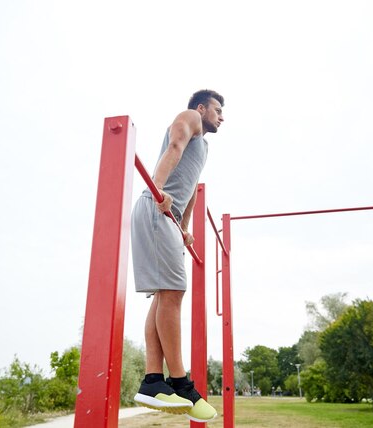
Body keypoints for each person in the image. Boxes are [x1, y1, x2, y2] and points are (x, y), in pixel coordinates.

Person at [131, 89, 224, 422]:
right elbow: (175, 144)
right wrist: (158, 187)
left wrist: (185, 227)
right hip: (158, 207)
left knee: (163, 296)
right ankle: (180, 381)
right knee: (174, 293)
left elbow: (192, 189)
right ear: (202, 107)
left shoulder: (206, 148)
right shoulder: (191, 118)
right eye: (218, 109)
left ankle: (154, 379)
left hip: (169, 216)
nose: (221, 116)